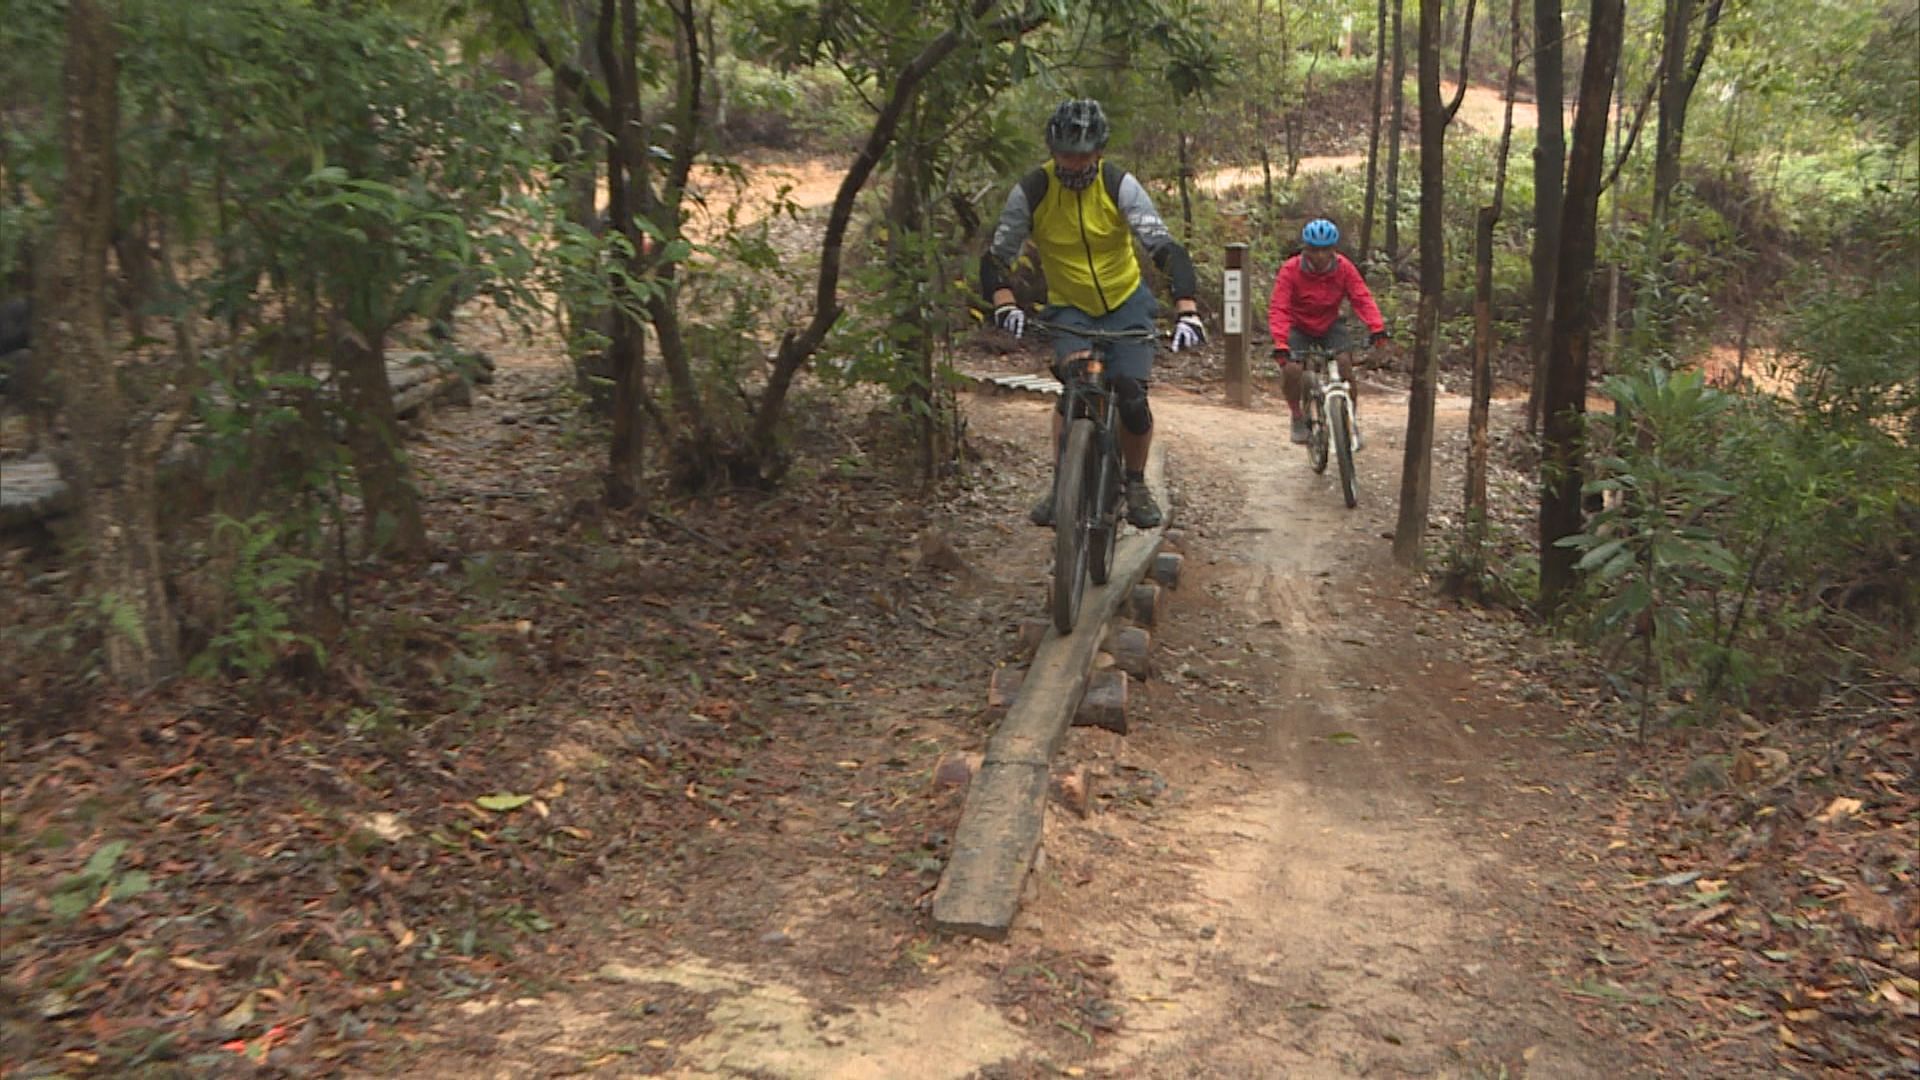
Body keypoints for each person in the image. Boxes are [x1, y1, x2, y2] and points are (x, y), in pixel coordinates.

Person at [981, 98, 1206, 530]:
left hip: (1126, 302)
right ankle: (1062, 482)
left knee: (1132, 397)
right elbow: (996, 256)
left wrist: (1187, 310)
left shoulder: (1118, 184)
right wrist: (1004, 302)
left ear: (1099, 150)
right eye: (1066, 154)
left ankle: (1135, 483)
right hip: (1070, 308)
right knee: (1074, 387)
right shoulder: (1033, 190)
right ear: (1052, 151)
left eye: (1084, 154)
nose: (1075, 163)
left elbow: (1163, 246)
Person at [1267, 218, 1387, 446]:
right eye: (1314, 250)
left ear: (1334, 250)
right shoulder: (1291, 270)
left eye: (1325, 250)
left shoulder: (1344, 268)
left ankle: (1350, 422)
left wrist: (1376, 327)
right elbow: (1279, 307)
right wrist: (1281, 342)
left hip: (1330, 322)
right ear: (1305, 249)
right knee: (1292, 370)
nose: (1320, 256)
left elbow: (1361, 297)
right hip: (1298, 325)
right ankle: (1297, 415)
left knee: (1344, 365)